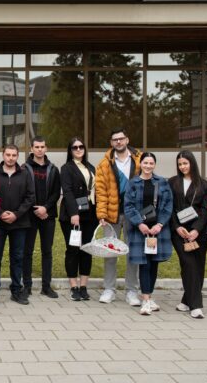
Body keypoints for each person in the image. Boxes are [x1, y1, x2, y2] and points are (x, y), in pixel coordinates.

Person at [95, 128, 143, 306]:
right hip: (111, 215)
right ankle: (109, 289)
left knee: (133, 252)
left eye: (121, 139)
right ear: (111, 143)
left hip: (133, 214)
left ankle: (131, 291)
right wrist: (101, 214)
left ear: (127, 139)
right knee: (110, 252)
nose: (119, 142)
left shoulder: (140, 159)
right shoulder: (104, 164)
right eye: (115, 140)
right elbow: (100, 191)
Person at [123, 152, 173, 315]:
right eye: (145, 163)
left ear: (154, 165)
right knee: (145, 264)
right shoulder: (133, 183)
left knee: (154, 264)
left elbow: (168, 206)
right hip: (140, 231)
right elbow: (128, 206)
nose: (148, 166)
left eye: (151, 163)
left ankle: (149, 297)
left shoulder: (162, 182)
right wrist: (140, 224)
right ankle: (145, 300)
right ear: (141, 164)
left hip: (158, 231)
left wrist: (159, 224)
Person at [0, 144, 36, 306]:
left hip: (20, 223)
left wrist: (16, 214)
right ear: (3, 155)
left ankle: (16, 290)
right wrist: (0, 214)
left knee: (17, 258)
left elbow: (30, 197)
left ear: (17, 156)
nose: (10, 158)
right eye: (8, 155)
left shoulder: (25, 174)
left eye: (14, 155)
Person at [168, 150, 207, 319]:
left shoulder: (205, 185)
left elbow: (205, 210)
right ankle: (196, 306)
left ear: (192, 163)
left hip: (199, 232)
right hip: (179, 231)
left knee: (198, 266)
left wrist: (196, 230)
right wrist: (177, 227)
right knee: (188, 263)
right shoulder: (172, 183)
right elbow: (169, 207)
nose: (182, 166)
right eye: (180, 164)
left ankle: (187, 300)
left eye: (185, 163)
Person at [59, 137, 97, 301]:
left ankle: (83, 286)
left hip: (90, 214)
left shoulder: (91, 167)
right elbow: (67, 192)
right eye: (75, 147)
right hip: (72, 216)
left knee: (86, 250)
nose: (79, 149)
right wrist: (74, 213)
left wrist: (100, 214)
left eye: (81, 147)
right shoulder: (66, 168)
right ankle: (74, 286)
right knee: (73, 250)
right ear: (70, 150)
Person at [23, 136, 61, 299]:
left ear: (46, 148)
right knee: (27, 252)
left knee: (47, 251)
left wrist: (45, 208)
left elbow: (55, 192)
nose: (39, 149)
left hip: (48, 216)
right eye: (36, 147)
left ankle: (46, 286)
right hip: (29, 216)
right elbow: (23, 192)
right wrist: (34, 209)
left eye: (42, 147)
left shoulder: (53, 169)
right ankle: (27, 286)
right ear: (31, 149)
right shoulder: (24, 168)